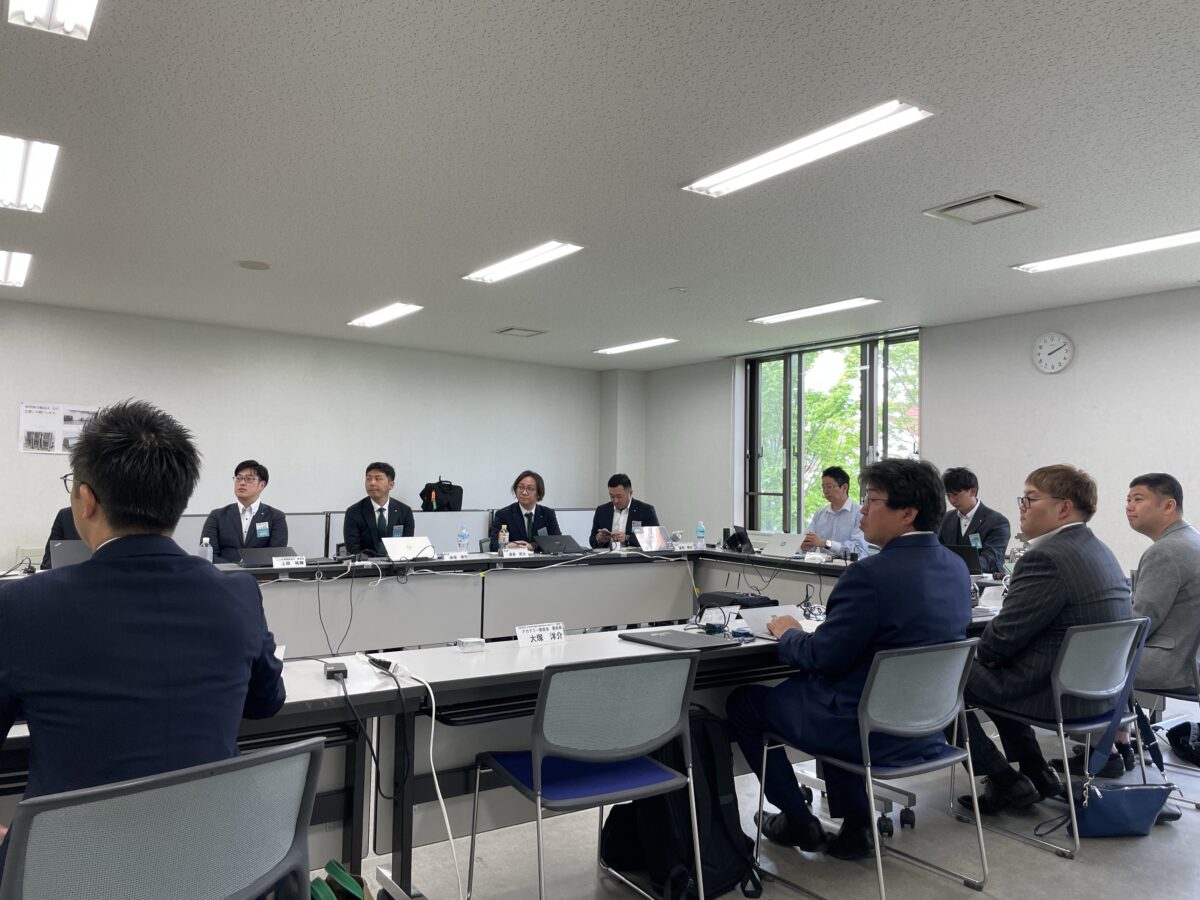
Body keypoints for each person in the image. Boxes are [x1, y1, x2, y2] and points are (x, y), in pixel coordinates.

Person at [0, 400, 285, 875]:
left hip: (69, 872)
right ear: (178, 500)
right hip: (214, 865)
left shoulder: (20, 605)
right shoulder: (237, 593)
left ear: (86, 500)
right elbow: (266, 702)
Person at [726, 459, 971, 859]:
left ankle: (798, 820)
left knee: (745, 702)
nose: (862, 511)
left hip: (864, 731)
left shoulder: (869, 575)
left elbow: (821, 657)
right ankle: (856, 827)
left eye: (872, 501)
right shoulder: (956, 567)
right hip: (929, 727)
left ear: (907, 513)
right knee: (845, 689)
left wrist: (789, 633)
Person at [957, 464, 1132, 814]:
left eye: (1030, 499)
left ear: (1064, 507)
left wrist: (975, 651)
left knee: (943, 673)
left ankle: (1004, 779)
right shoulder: (1099, 549)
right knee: (991, 669)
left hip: (1056, 696)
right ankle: (1037, 770)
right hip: (1101, 695)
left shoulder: (1046, 557)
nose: (1021, 507)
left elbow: (999, 641)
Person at [200, 459, 288, 563]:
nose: (242, 483)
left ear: (262, 485)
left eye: (248, 479)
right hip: (223, 572)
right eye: (238, 478)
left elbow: (275, 555)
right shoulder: (217, 516)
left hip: (259, 573)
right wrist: (235, 568)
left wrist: (249, 568)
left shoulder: (276, 517)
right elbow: (209, 555)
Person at [937, 467, 1012, 574]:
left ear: (973, 491)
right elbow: (938, 550)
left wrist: (957, 569)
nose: (951, 500)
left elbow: (990, 558)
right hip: (950, 578)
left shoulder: (998, 522)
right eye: (948, 495)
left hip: (985, 581)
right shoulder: (946, 519)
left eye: (955, 494)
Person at [343, 462, 415, 556]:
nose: (372, 483)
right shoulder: (353, 512)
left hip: (397, 563)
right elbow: (353, 551)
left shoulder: (405, 511)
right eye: (368, 479)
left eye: (378, 479)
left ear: (391, 485)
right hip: (365, 564)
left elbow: (407, 546)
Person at [800, 466, 869, 557]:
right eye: (823, 487)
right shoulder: (819, 514)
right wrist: (805, 546)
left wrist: (826, 543)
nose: (825, 491)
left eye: (829, 487)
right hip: (823, 563)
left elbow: (858, 549)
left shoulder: (860, 513)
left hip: (851, 565)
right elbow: (809, 543)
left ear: (844, 487)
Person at [490, 470, 561, 551]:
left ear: (538, 493)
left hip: (541, 559)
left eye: (530, 489)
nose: (524, 492)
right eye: (520, 488)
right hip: (515, 558)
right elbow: (494, 546)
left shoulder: (548, 514)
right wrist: (511, 546)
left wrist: (532, 547)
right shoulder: (503, 515)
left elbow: (558, 543)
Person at [589, 473, 659, 548]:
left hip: (635, 555)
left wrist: (627, 538)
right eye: (612, 496)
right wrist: (599, 539)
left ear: (630, 493)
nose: (615, 500)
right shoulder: (601, 511)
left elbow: (654, 539)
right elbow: (592, 540)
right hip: (607, 554)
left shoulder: (646, 510)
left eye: (619, 496)